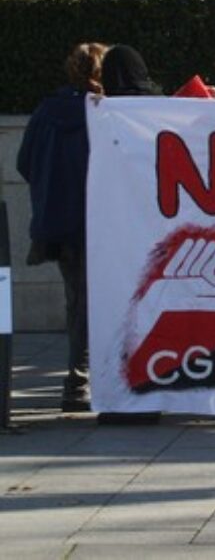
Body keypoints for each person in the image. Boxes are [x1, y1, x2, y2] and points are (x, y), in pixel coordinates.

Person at [17, 43, 107, 412]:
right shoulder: (104, 113)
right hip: (100, 221)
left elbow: (25, 162)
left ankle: (78, 379)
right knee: (98, 303)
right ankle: (81, 383)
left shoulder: (46, 111)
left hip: (59, 223)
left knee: (77, 301)